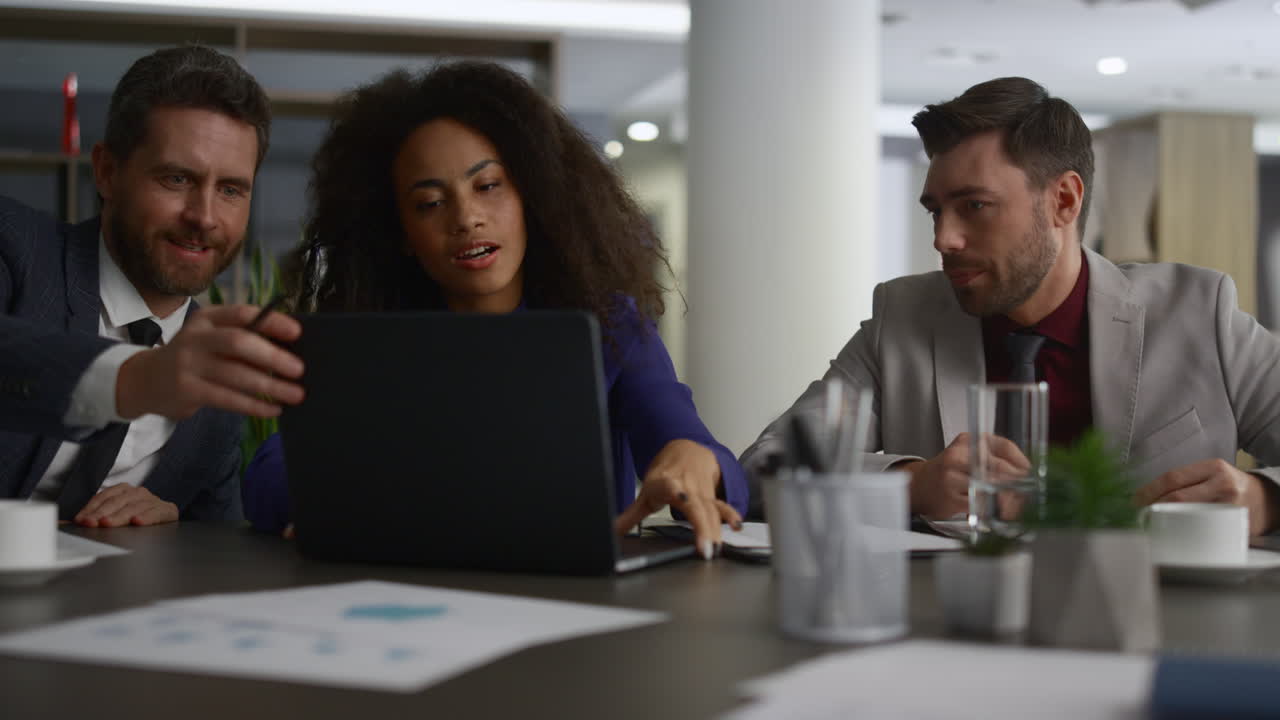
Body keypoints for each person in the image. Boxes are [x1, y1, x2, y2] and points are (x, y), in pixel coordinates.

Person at [243, 61, 746, 558]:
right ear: (400, 235)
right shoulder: (369, 332)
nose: (467, 218)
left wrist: (694, 460)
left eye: (488, 186)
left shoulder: (610, 326)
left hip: (574, 610)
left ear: (533, 195)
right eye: (430, 203)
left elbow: (683, 434)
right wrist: (332, 496)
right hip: (410, 599)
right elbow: (271, 472)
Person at [740, 77, 1280, 536]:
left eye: (975, 206)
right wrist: (910, 484)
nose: (944, 239)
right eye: (936, 211)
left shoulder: (1198, 313)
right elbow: (764, 469)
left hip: (1163, 631)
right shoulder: (902, 318)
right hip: (951, 633)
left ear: (1063, 201)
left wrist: (1264, 499)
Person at [0, 45, 304, 527]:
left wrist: (173, 520)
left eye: (230, 190)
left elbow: (219, 541)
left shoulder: (216, 370)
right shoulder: (14, 248)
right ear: (106, 172)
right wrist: (137, 378)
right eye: (177, 178)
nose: (204, 217)